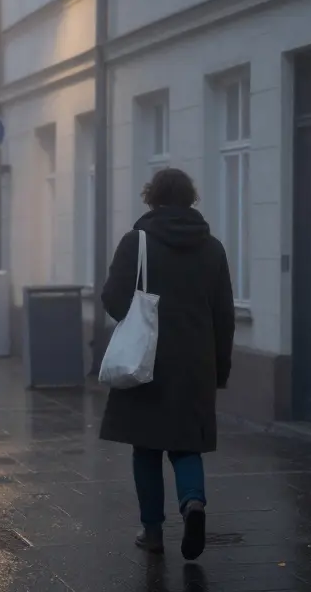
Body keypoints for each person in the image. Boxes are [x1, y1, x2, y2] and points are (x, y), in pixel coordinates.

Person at [98, 167, 235, 561]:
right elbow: (224, 315)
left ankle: (153, 532)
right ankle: (193, 503)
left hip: (147, 361)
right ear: (191, 199)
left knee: (147, 448)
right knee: (186, 444)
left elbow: (113, 300)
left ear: (152, 198)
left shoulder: (137, 241)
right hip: (196, 362)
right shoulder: (213, 248)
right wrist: (219, 369)